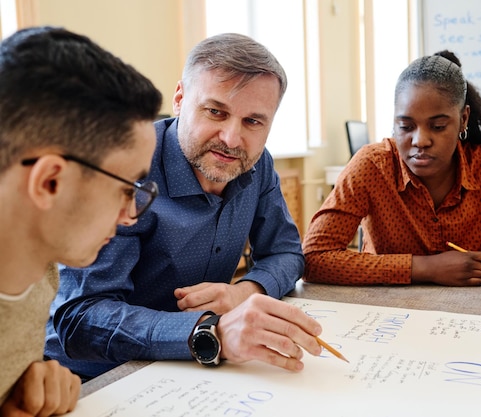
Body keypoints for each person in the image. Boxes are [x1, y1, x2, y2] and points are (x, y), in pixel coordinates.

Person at [45, 32, 319, 380]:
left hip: (194, 366)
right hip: (95, 377)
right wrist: (209, 331)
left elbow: (287, 253)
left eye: (253, 121)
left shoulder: (257, 163)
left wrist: (244, 292)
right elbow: (80, 318)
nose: (232, 139)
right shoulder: (125, 168)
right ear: (180, 98)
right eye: (215, 112)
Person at [0, 26, 162, 416]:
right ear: (50, 181)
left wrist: (27, 388)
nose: (130, 216)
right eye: (126, 189)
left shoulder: (42, 273)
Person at [302, 50, 481, 287]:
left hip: (469, 316)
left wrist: (473, 268)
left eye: (438, 126)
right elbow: (314, 258)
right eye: (405, 127)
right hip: (384, 315)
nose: (420, 141)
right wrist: (425, 268)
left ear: (463, 119)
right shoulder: (371, 165)